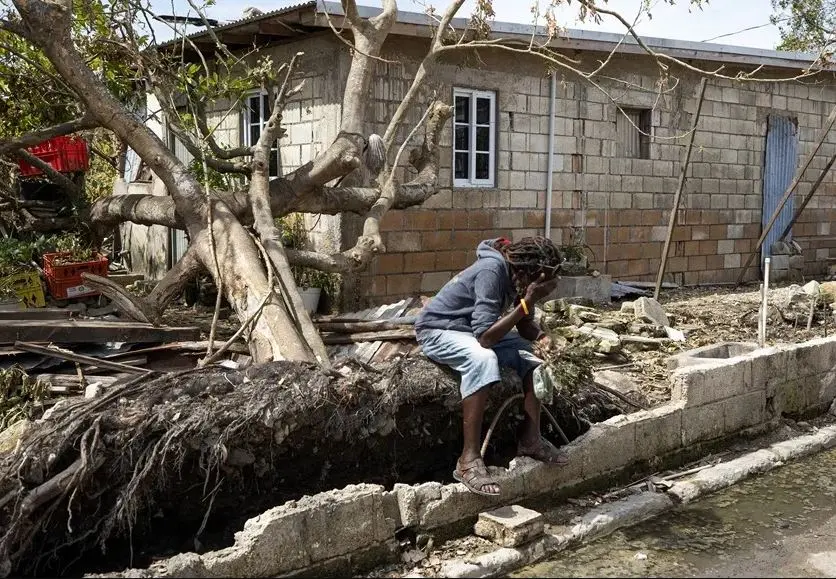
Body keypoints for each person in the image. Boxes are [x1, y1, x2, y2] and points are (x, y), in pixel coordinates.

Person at [414, 236, 567, 497]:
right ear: (528, 271)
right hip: (439, 330)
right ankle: (468, 460)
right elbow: (485, 337)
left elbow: (524, 324)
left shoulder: (519, 278)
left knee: (535, 361)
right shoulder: (492, 270)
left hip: (470, 331)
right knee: (483, 359)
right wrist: (526, 303)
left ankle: (530, 440)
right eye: (541, 281)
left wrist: (541, 337)